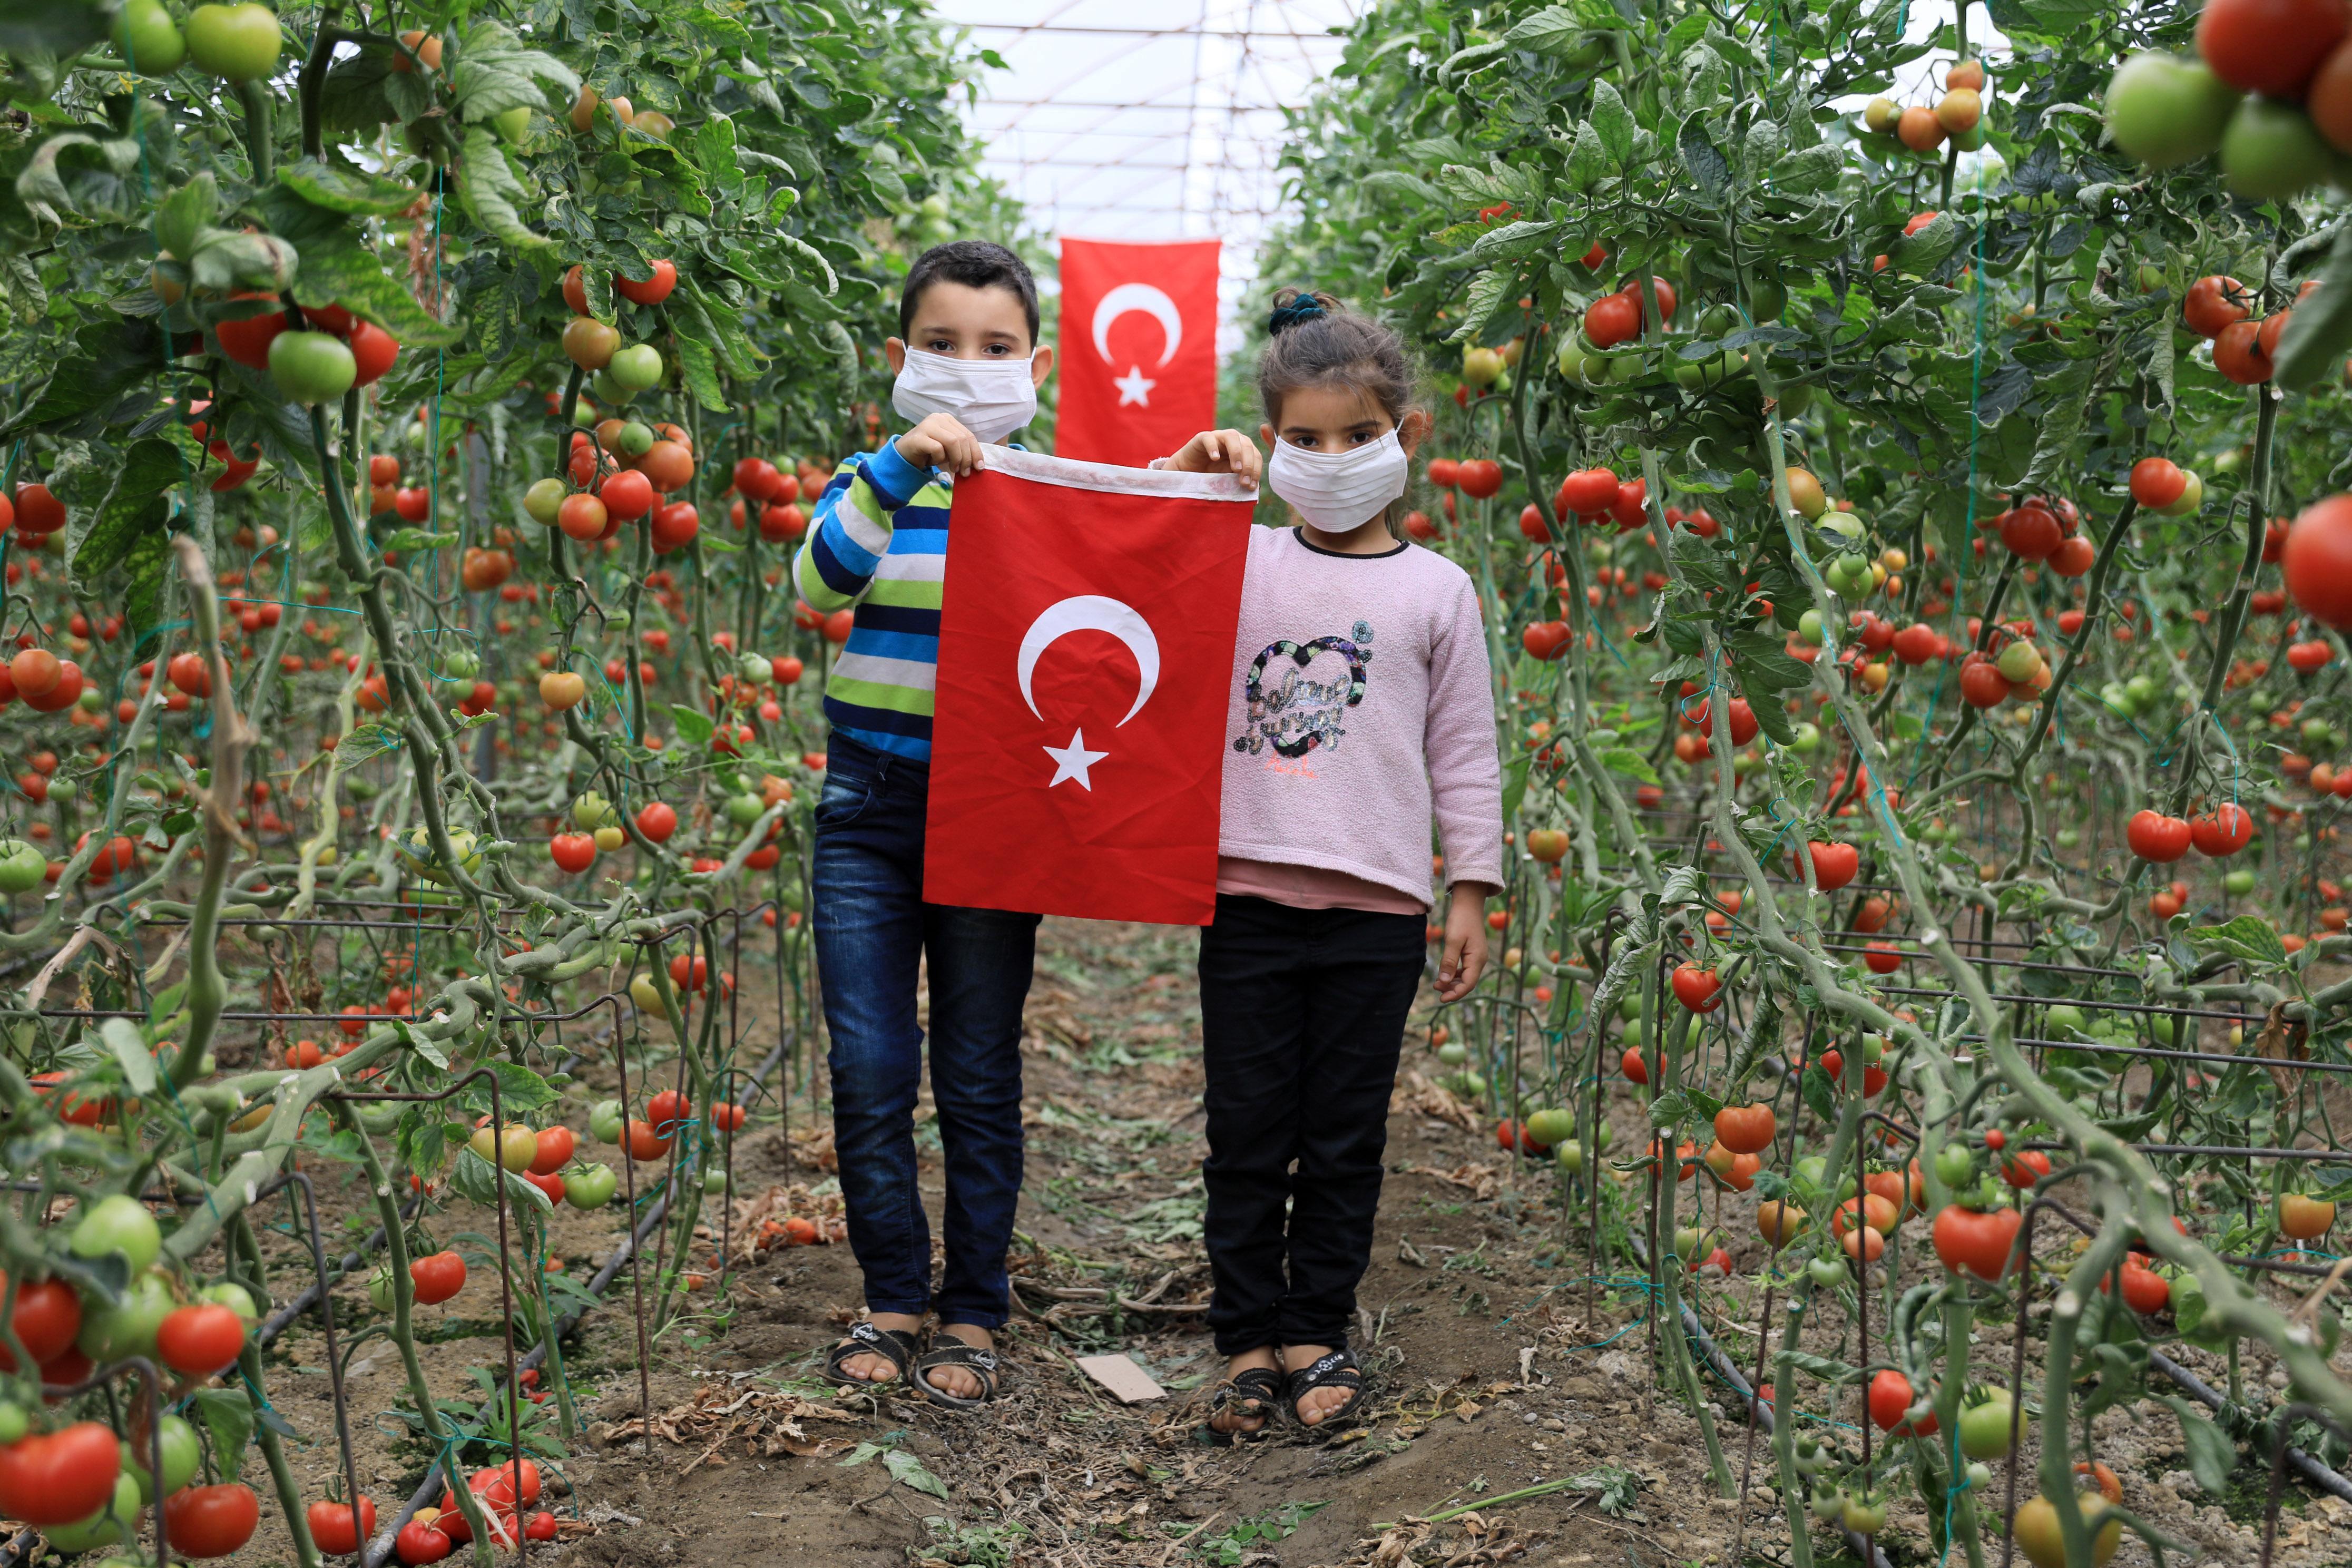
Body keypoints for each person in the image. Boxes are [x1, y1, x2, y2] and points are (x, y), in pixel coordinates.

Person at [795, 240, 1259, 1407]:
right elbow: (818, 586)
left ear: (1033, 367)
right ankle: (893, 1295)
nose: (966, 366)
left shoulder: (1028, 492)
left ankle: (974, 1311)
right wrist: (898, 465)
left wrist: (1192, 472)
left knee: (976, 1066)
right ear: (901, 360)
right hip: (868, 802)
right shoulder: (874, 480)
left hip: (994, 807)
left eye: (993, 349)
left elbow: (1117, 545)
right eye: (941, 345)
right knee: (868, 1066)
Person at [1159, 288, 1503, 1438]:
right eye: (1302, 439)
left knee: (1346, 1135)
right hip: (1247, 895)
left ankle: (1319, 1331)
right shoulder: (1240, 559)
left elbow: (1465, 751)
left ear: (1406, 436)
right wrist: (1196, 471)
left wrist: (1471, 887)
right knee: (1249, 1131)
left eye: (1358, 435)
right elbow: (1146, 558)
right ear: (1271, 447)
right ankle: (1246, 1339)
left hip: (1374, 911)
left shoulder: (1437, 592)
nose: (1332, 456)